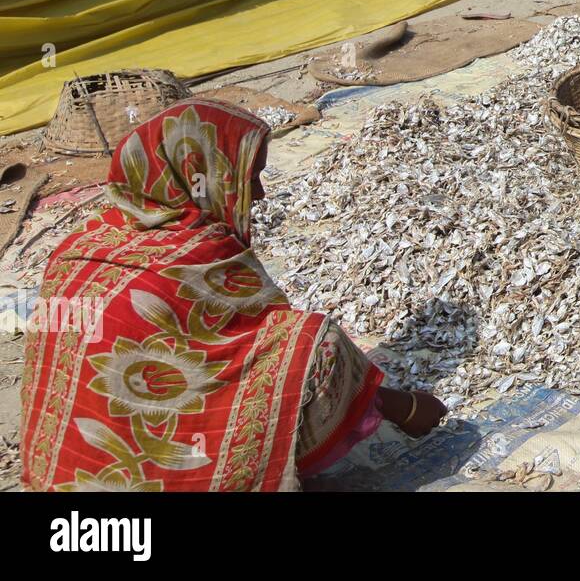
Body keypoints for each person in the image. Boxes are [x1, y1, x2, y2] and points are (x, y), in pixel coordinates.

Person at [20, 100, 446, 492]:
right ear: (197, 172)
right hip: (154, 470)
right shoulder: (201, 250)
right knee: (316, 342)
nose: (257, 193)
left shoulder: (81, 242)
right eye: (247, 176)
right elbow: (269, 348)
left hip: (62, 472)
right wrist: (395, 403)